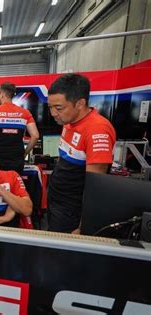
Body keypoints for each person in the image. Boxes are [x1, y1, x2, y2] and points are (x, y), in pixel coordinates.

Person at [47, 73, 116, 234]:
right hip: (57, 203)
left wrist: (84, 226)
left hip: (72, 212)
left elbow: (95, 188)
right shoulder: (68, 121)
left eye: (58, 108)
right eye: (50, 107)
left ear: (80, 103)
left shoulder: (97, 130)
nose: (53, 113)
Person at [0, 82, 40, 173]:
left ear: (2, 94)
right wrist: (25, 153)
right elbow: (35, 136)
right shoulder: (25, 113)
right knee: (14, 185)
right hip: (17, 159)